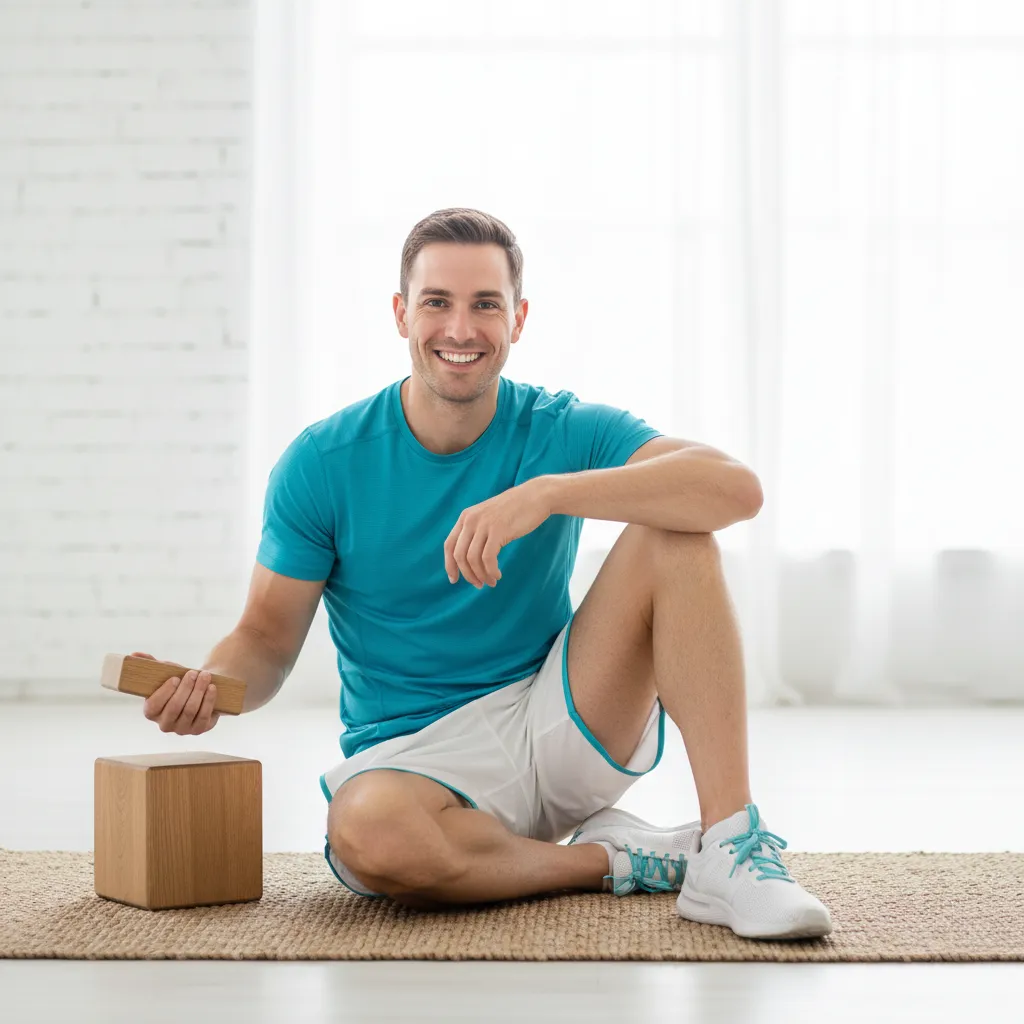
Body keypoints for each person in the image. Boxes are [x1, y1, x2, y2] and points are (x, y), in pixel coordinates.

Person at [137, 208, 832, 942]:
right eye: (437, 302)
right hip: (415, 760)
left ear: (518, 319)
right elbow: (266, 638)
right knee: (367, 834)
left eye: (485, 305)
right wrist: (214, 684)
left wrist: (549, 493)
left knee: (678, 533)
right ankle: (617, 860)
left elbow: (735, 490)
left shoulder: (558, 429)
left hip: (557, 718)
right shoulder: (323, 463)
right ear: (402, 314)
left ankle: (728, 846)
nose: (460, 329)